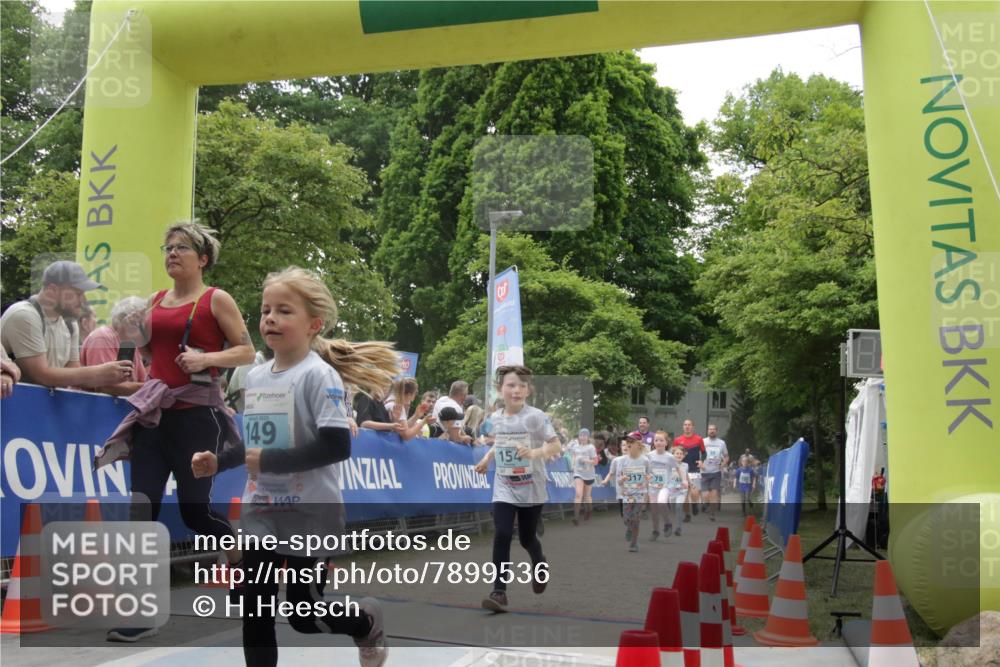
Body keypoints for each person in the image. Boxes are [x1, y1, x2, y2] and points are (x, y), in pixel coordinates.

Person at [191, 266, 393, 667]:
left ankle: (363, 622)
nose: (270, 318)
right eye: (266, 310)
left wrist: (271, 460)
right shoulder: (257, 375)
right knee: (255, 607)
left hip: (309, 512)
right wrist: (219, 460)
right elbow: (256, 442)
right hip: (263, 509)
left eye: (284, 311)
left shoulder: (321, 377)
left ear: (313, 324)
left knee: (305, 615)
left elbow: (337, 446)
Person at [96, 222, 255, 643]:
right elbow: (148, 350)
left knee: (193, 513)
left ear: (202, 259)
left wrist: (207, 360)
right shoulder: (153, 301)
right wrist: (133, 348)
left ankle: (242, 565)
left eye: (181, 248)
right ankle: (141, 612)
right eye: (167, 247)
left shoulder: (215, 299)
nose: (171, 254)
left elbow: (247, 350)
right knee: (140, 510)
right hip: (155, 418)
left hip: (197, 420)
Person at [474, 365, 561, 613]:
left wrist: (534, 452)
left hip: (532, 485)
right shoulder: (496, 418)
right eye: (511, 385)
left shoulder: (536, 416)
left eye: (522, 385)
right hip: (504, 483)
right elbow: (501, 443)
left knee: (526, 537)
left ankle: (539, 563)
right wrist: (487, 459)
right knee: (501, 533)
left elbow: (555, 446)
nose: (517, 390)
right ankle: (499, 592)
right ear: (500, 389)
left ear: (528, 390)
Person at [1, 260, 133, 389]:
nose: (83, 301)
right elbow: (41, 375)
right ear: (52, 290)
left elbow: (73, 374)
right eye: (77, 293)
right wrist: (100, 372)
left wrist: (109, 377)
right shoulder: (25, 314)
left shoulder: (69, 324)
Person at [80, 295, 150, 396]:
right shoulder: (102, 337)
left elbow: (141, 380)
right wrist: (151, 388)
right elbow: (105, 387)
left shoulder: (130, 343)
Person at [619, 432, 651, 553]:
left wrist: (648, 480)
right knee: (626, 519)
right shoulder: (623, 460)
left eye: (631, 442)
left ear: (638, 444)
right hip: (627, 495)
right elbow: (619, 479)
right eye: (627, 442)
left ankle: (634, 543)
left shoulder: (645, 461)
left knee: (635, 519)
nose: (628, 444)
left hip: (640, 494)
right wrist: (621, 480)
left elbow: (650, 476)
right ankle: (629, 528)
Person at [646, 430, 679, 541]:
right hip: (652, 486)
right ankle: (655, 531)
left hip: (665, 486)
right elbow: (645, 470)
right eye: (656, 440)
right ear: (653, 443)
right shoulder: (649, 456)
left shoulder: (670, 457)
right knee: (654, 510)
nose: (658, 442)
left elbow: (678, 469)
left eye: (661, 440)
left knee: (661, 502)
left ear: (666, 443)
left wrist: (683, 480)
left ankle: (667, 523)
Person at [673, 419, 705, 521]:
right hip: (682, 470)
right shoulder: (678, 440)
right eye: (685, 425)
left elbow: (704, 453)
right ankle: (687, 514)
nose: (687, 426)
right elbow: (674, 453)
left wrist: (701, 461)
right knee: (685, 495)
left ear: (693, 427)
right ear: (683, 427)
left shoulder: (699, 439)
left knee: (694, 493)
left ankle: (695, 504)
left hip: (694, 469)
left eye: (689, 425)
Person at [566, 428, 599, 525]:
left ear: (588, 437)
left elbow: (596, 462)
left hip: (589, 473)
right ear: (579, 437)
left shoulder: (591, 447)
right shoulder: (576, 447)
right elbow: (569, 453)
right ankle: (576, 517)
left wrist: (586, 461)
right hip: (578, 473)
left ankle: (589, 509)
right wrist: (573, 464)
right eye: (581, 435)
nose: (583, 437)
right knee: (578, 494)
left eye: (585, 435)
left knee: (587, 496)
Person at [699, 424, 729, 521]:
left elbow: (726, 456)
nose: (712, 431)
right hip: (704, 471)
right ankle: (705, 503)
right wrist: (700, 463)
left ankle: (712, 513)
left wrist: (723, 464)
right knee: (705, 495)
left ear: (716, 431)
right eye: (710, 429)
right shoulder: (703, 441)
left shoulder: (721, 443)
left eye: (713, 429)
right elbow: (698, 455)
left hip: (716, 472)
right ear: (707, 431)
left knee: (714, 494)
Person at [660, 446, 690, 536]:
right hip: (670, 490)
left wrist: (690, 483)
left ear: (684, 456)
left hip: (681, 491)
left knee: (678, 507)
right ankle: (667, 525)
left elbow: (686, 475)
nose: (679, 455)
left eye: (681, 454)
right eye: (677, 453)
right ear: (672, 455)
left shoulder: (685, 465)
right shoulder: (668, 465)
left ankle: (678, 528)